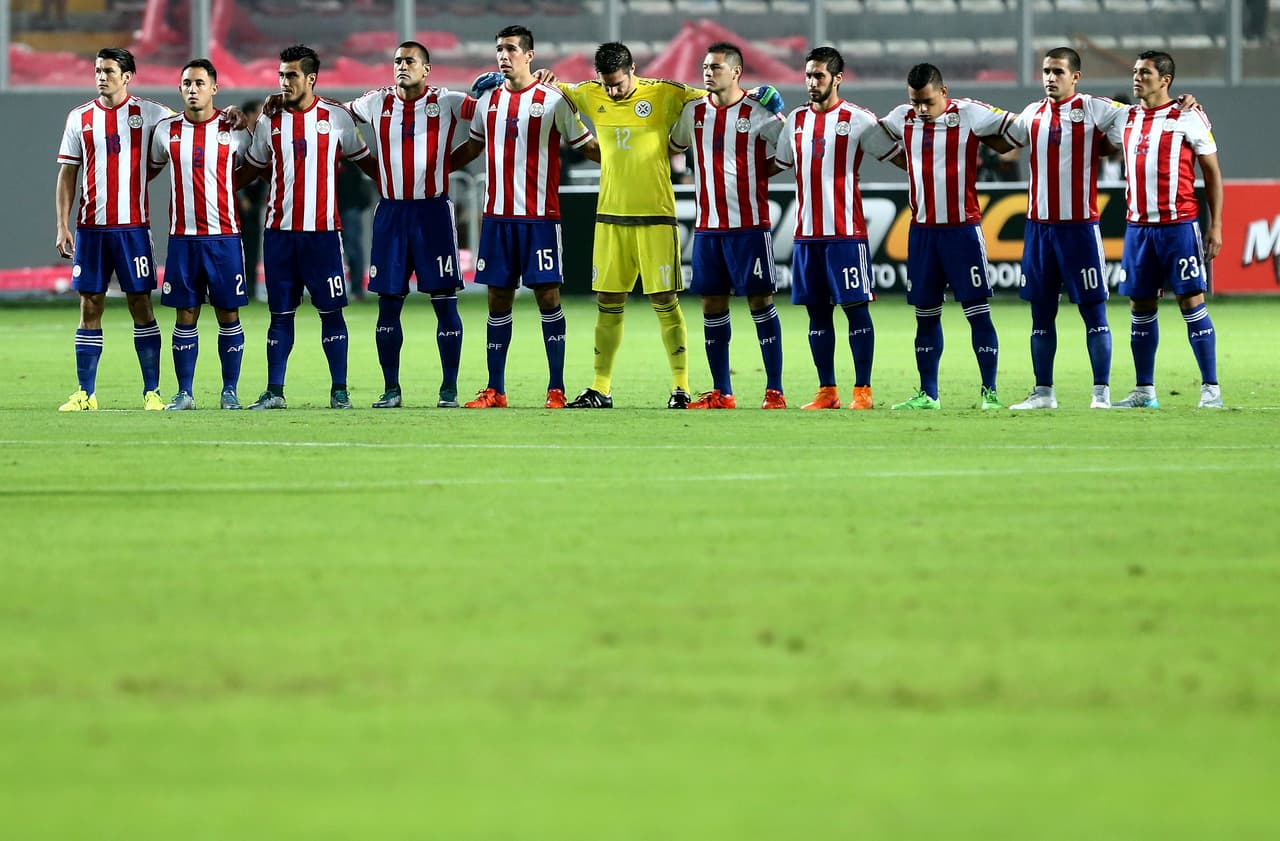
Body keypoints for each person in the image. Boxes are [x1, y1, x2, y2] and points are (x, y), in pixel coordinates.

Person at [448, 26, 597, 409]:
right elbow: (473, 146)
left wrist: (628, 159)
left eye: (511, 49)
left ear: (529, 55)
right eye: (499, 48)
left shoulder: (553, 100)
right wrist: (435, 168)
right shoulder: (487, 100)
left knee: (548, 296)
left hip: (539, 218)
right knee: (498, 299)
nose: (504, 55)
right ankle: (495, 389)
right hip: (497, 218)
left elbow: (587, 146)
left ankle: (556, 388)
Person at [553, 42, 706, 409]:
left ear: (633, 69)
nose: (612, 91)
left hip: (656, 216)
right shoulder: (591, 94)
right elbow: (557, 94)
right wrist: (546, 80)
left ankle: (681, 387)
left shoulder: (664, 93)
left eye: (618, 84)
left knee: (664, 300)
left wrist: (753, 95)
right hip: (610, 217)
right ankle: (600, 388)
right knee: (607, 301)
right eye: (606, 84)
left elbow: (708, 96)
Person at [238, 44, 378, 410]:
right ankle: (275, 391)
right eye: (281, 75)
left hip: (323, 235)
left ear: (311, 78)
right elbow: (253, 166)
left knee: (331, 312)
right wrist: (221, 183)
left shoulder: (336, 117)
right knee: (279, 314)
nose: (284, 82)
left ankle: (340, 391)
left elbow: (365, 162)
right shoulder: (270, 119)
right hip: (279, 234)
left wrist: (399, 188)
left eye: (292, 75)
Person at [768, 46, 901, 410]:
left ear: (837, 78)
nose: (812, 82)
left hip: (846, 234)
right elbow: (775, 166)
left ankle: (863, 391)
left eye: (819, 76)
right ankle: (827, 391)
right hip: (806, 235)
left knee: (856, 310)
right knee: (817, 313)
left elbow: (898, 158)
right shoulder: (794, 121)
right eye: (808, 75)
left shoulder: (858, 119)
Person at [878, 63, 1017, 410]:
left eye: (927, 101)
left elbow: (1019, 126)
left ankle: (990, 392)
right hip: (923, 233)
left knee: (978, 312)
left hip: (963, 232)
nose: (921, 110)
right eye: (915, 102)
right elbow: (870, 134)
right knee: (925, 315)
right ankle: (929, 394)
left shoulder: (970, 114)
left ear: (944, 92)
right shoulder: (901, 117)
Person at [347, 40, 476, 408]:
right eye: (397, 61)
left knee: (444, 302)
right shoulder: (376, 102)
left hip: (433, 214)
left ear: (427, 68)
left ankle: (448, 389)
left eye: (410, 61)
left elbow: (487, 118)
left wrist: (447, 164)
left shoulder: (449, 100)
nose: (402, 66)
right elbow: (336, 116)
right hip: (391, 214)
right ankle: (391, 389)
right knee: (388, 304)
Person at [1000, 47, 1128, 410]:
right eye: (1046, 71)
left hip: (1079, 229)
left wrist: (1109, 146)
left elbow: (1134, 118)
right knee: (1040, 314)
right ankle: (1043, 393)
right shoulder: (1032, 113)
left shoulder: (1092, 108)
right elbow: (1007, 143)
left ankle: (1101, 393)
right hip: (1040, 230)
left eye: (1058, 71)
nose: (1050, 78)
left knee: (1093, 312)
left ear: (1076, 77)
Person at [668, 42, 788, 410]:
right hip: (707, 228)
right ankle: (722, 391)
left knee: (760, 301)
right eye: (705, 67)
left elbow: (788, 153)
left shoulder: (758, 111)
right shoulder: (694, 112)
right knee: (711, 304)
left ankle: (775, 390)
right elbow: (674, 144)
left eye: (716, 67)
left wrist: (754, 176)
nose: (708, 72)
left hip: (748, 225)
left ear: (735, 71)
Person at [55, 47, 171, 411]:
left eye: (108, 70)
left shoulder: (152, 114)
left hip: (133, 228)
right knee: (90, 306)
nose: (101, 76)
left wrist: (229, 116)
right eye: (97, 70)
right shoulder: (79, 117)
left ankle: (152, 392)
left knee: (141, 304)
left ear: (126, 76)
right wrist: (62, 225)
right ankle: (85, 393)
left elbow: (192, 123)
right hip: (90, 230)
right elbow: (67, 174)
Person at [1108, 51, 1223, 409]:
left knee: (1191, 301)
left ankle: (1211, 389)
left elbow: (1212, 174)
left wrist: (1215, 225)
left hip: (1178, 226)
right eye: (1135, 71)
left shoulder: (1188, 117)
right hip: (1138, 228)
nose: (1137, 78)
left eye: (1145, 72)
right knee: (1140, 305)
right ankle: (1145, 390)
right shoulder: (1124, 118)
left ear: (1165, 80)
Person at [147, 58, 252, 410]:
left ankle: (230, 391)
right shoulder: (166, 131)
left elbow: (252, 168)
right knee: (185, 314)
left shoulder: (233, 129)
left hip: (224, 237)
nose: (193, 89)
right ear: (180, 89)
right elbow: (148, 170)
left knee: (228, 314)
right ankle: (185, 392)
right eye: (187, 84)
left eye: (200, 83)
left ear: (214, 88)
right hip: (182, 239)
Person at [236, 99, 268, 302]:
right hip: (235, 203)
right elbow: (229, 170)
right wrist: (240, 197)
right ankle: (234, 289)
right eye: (258, 113)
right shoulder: (237, 138)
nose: (261, 117)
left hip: (255, 202)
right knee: (234, 247)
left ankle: (252, 290)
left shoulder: (262, 137)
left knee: (253, 245)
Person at [336, 157, 373, 299]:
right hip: (335, 209)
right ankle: (335, 289)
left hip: (349, 208)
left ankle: (357, 289)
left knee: (353, 249)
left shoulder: (351, 161)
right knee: (337, 250)